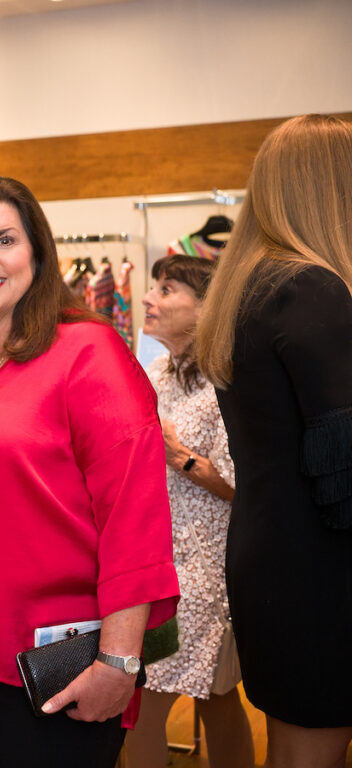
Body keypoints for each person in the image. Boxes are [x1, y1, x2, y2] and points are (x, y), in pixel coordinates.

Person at [0, 175, 179, 767]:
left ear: (37, 256)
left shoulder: (87, 352)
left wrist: (120, 662)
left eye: (4, 239)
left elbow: (136, 515)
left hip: (49, 666)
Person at [196, 113, 352, 768]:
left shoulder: (251, 287)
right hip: (323, 565)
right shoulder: (313, 289)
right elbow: (344, 466)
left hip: (274, 553)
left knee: (294, 744)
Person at [126, 254, 254, 768]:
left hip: (200, 574)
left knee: (144, 703)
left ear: (205, 308)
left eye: (168, 288)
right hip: (158, 558)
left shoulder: (226, 381)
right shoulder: (155, 373)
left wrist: (177, 455)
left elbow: (243, 488)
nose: (148, 297)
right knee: (217, 700)